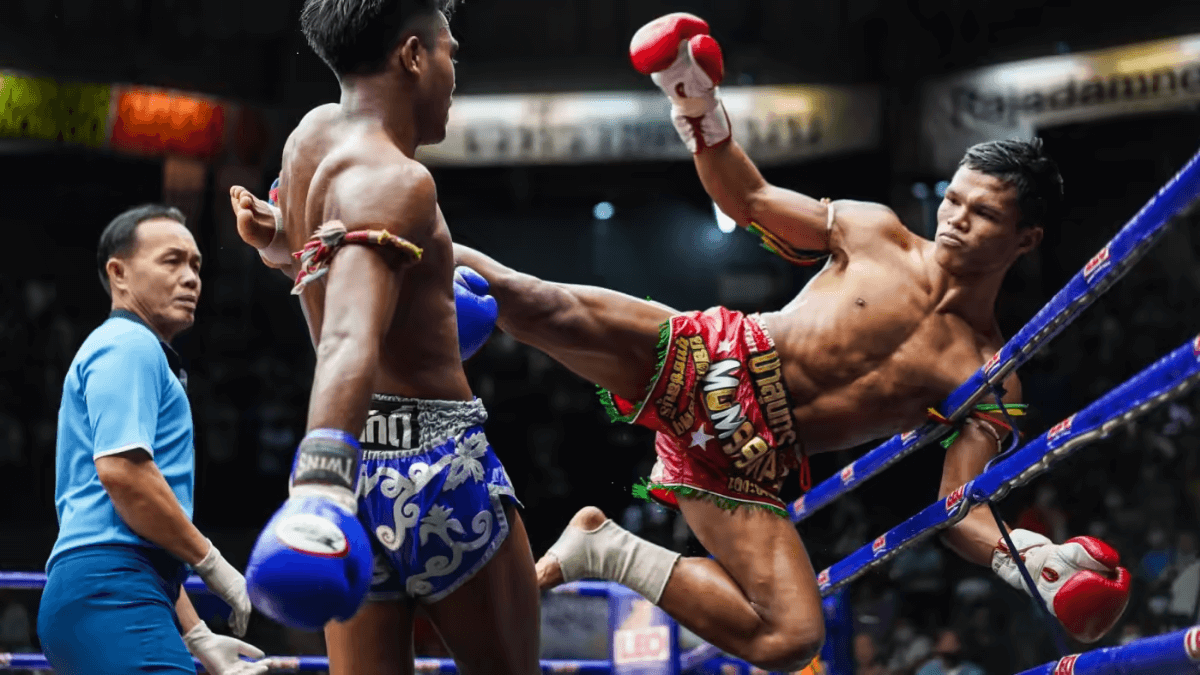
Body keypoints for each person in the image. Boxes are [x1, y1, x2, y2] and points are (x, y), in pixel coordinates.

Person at [450, 13, 1133, 669]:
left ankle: (603, 549)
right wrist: (695, 99)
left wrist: (1028, 558)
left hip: (748, 466)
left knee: (791, 638)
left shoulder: (990, 375)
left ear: (1026, 238)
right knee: (531, 301)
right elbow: (747, 198)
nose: (954, 218)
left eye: (982, 213)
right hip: (712, 359)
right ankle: (397, 233)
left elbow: (960, 507)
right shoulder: (874, 231)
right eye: (953, 198)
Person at [232, 2, 541, 674]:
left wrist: (274, 240)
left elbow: (313, 258)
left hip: (361, 467)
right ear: (413, 56)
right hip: (435, 469)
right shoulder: (398, 181)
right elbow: (348, 335)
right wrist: (318, 486)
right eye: (450, 50)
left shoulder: (310, 138)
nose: (455, 71)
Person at [36, 204, 268, 675]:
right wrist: (212, 563)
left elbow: (139, 524)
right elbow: (124, 474)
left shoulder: (132, 349)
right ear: (118, 273)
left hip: (118, 589)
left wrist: (196, 632)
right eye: (172, 261)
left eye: (196, 265)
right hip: (111, 591)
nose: (191, 278)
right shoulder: (129, 344)